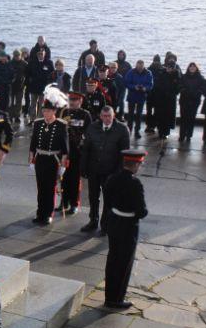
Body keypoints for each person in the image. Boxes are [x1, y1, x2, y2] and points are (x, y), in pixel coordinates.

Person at [103, 149, 149, 310]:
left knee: (113, 259)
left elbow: (107, 201)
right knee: (123, 263)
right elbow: (142, 211)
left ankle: (109, 295)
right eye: (140, 164)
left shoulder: (112, 178)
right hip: (128, 226)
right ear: (136, 164)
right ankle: (116, 299)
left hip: (114, 222)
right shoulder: (135, 183)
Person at [80, 106, 130, 234]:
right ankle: (93, 221)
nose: (106, 119)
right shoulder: (92, 127)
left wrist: (119, 172)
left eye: (109, 116)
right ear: (100, 116)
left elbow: (124, 154)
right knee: (93, 197)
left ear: (113, 116)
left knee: (109, 199)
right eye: (104, 116)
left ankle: (105, 225)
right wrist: (83, 167)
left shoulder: (122, 129)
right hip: (94, 169)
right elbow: (86, 149)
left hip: (111, 171)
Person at [29, 91, 69, 225]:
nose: (45, 113)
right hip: (40, 159)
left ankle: (48, 214)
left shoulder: (61, 125)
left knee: (50, 188)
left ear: (54, 112)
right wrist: (31, 160)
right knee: (40, 187)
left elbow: (65, 148)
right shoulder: (38, 123)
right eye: (44, 111)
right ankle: (40, 212)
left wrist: (63, 166)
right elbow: (33, 143)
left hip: (53, 160)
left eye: (48, 111)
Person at [60, 91, 91, 214]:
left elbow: (88, 133)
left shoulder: (85, 115)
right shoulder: (63, 113)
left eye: (75, 100)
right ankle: (64, 201)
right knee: (63, 178)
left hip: (77, 152)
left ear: (80, 101)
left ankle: (74, 203)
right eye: (70, 100)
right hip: (64, 151)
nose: (72, 102)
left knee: (74, 179)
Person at [151, 59, 181, 141]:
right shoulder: (162, 73)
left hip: (171, 99)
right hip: (161, 98)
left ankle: (166, 133)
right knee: (160, 115)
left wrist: (172, 93)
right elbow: (157, 85)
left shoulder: (176, 75)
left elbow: (178, 87)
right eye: (168, 67)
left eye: (171, 67)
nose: (169, 69)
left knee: (168, 116)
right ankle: (160, 132)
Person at [123, 60, 153, 138]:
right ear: (136, 65)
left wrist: (145, 88)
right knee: (130, 115)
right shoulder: (131, 72)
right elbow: (126, 83)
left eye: (141, 67)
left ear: (143, 66)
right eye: (138, 66)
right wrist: (134, 87)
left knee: (139, 115)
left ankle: (137, 131)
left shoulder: (148, 73)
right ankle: (129, 130)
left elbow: (150, 84)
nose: (139, 68)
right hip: (132, 95)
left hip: (142, 96)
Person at [178, 63, 204, 143]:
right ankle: (182, 135)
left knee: (191, 118)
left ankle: (189, 135)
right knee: (183, 118)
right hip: (184, 100)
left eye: (194, 67)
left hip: (194, 101)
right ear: (188, 68)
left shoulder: (200, 78)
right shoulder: (184, 76)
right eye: (191, 66)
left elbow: (202, 89)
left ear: (196, 68)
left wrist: (195, 93)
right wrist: (185, 91)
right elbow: (180, 86)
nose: (192, 68)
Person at [26, 49, 54, 118]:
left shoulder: (49, 62)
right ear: (36, 54)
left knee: (42, 105)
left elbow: (53, 74)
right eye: (39, 54)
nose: (40, 55)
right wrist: (29, 84)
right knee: (33, 104)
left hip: (44, 88)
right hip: (34, 87)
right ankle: (32, 119)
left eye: (41, 53)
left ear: (44, 54)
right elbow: (27, 74)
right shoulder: (32, 62)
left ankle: (39, 119)